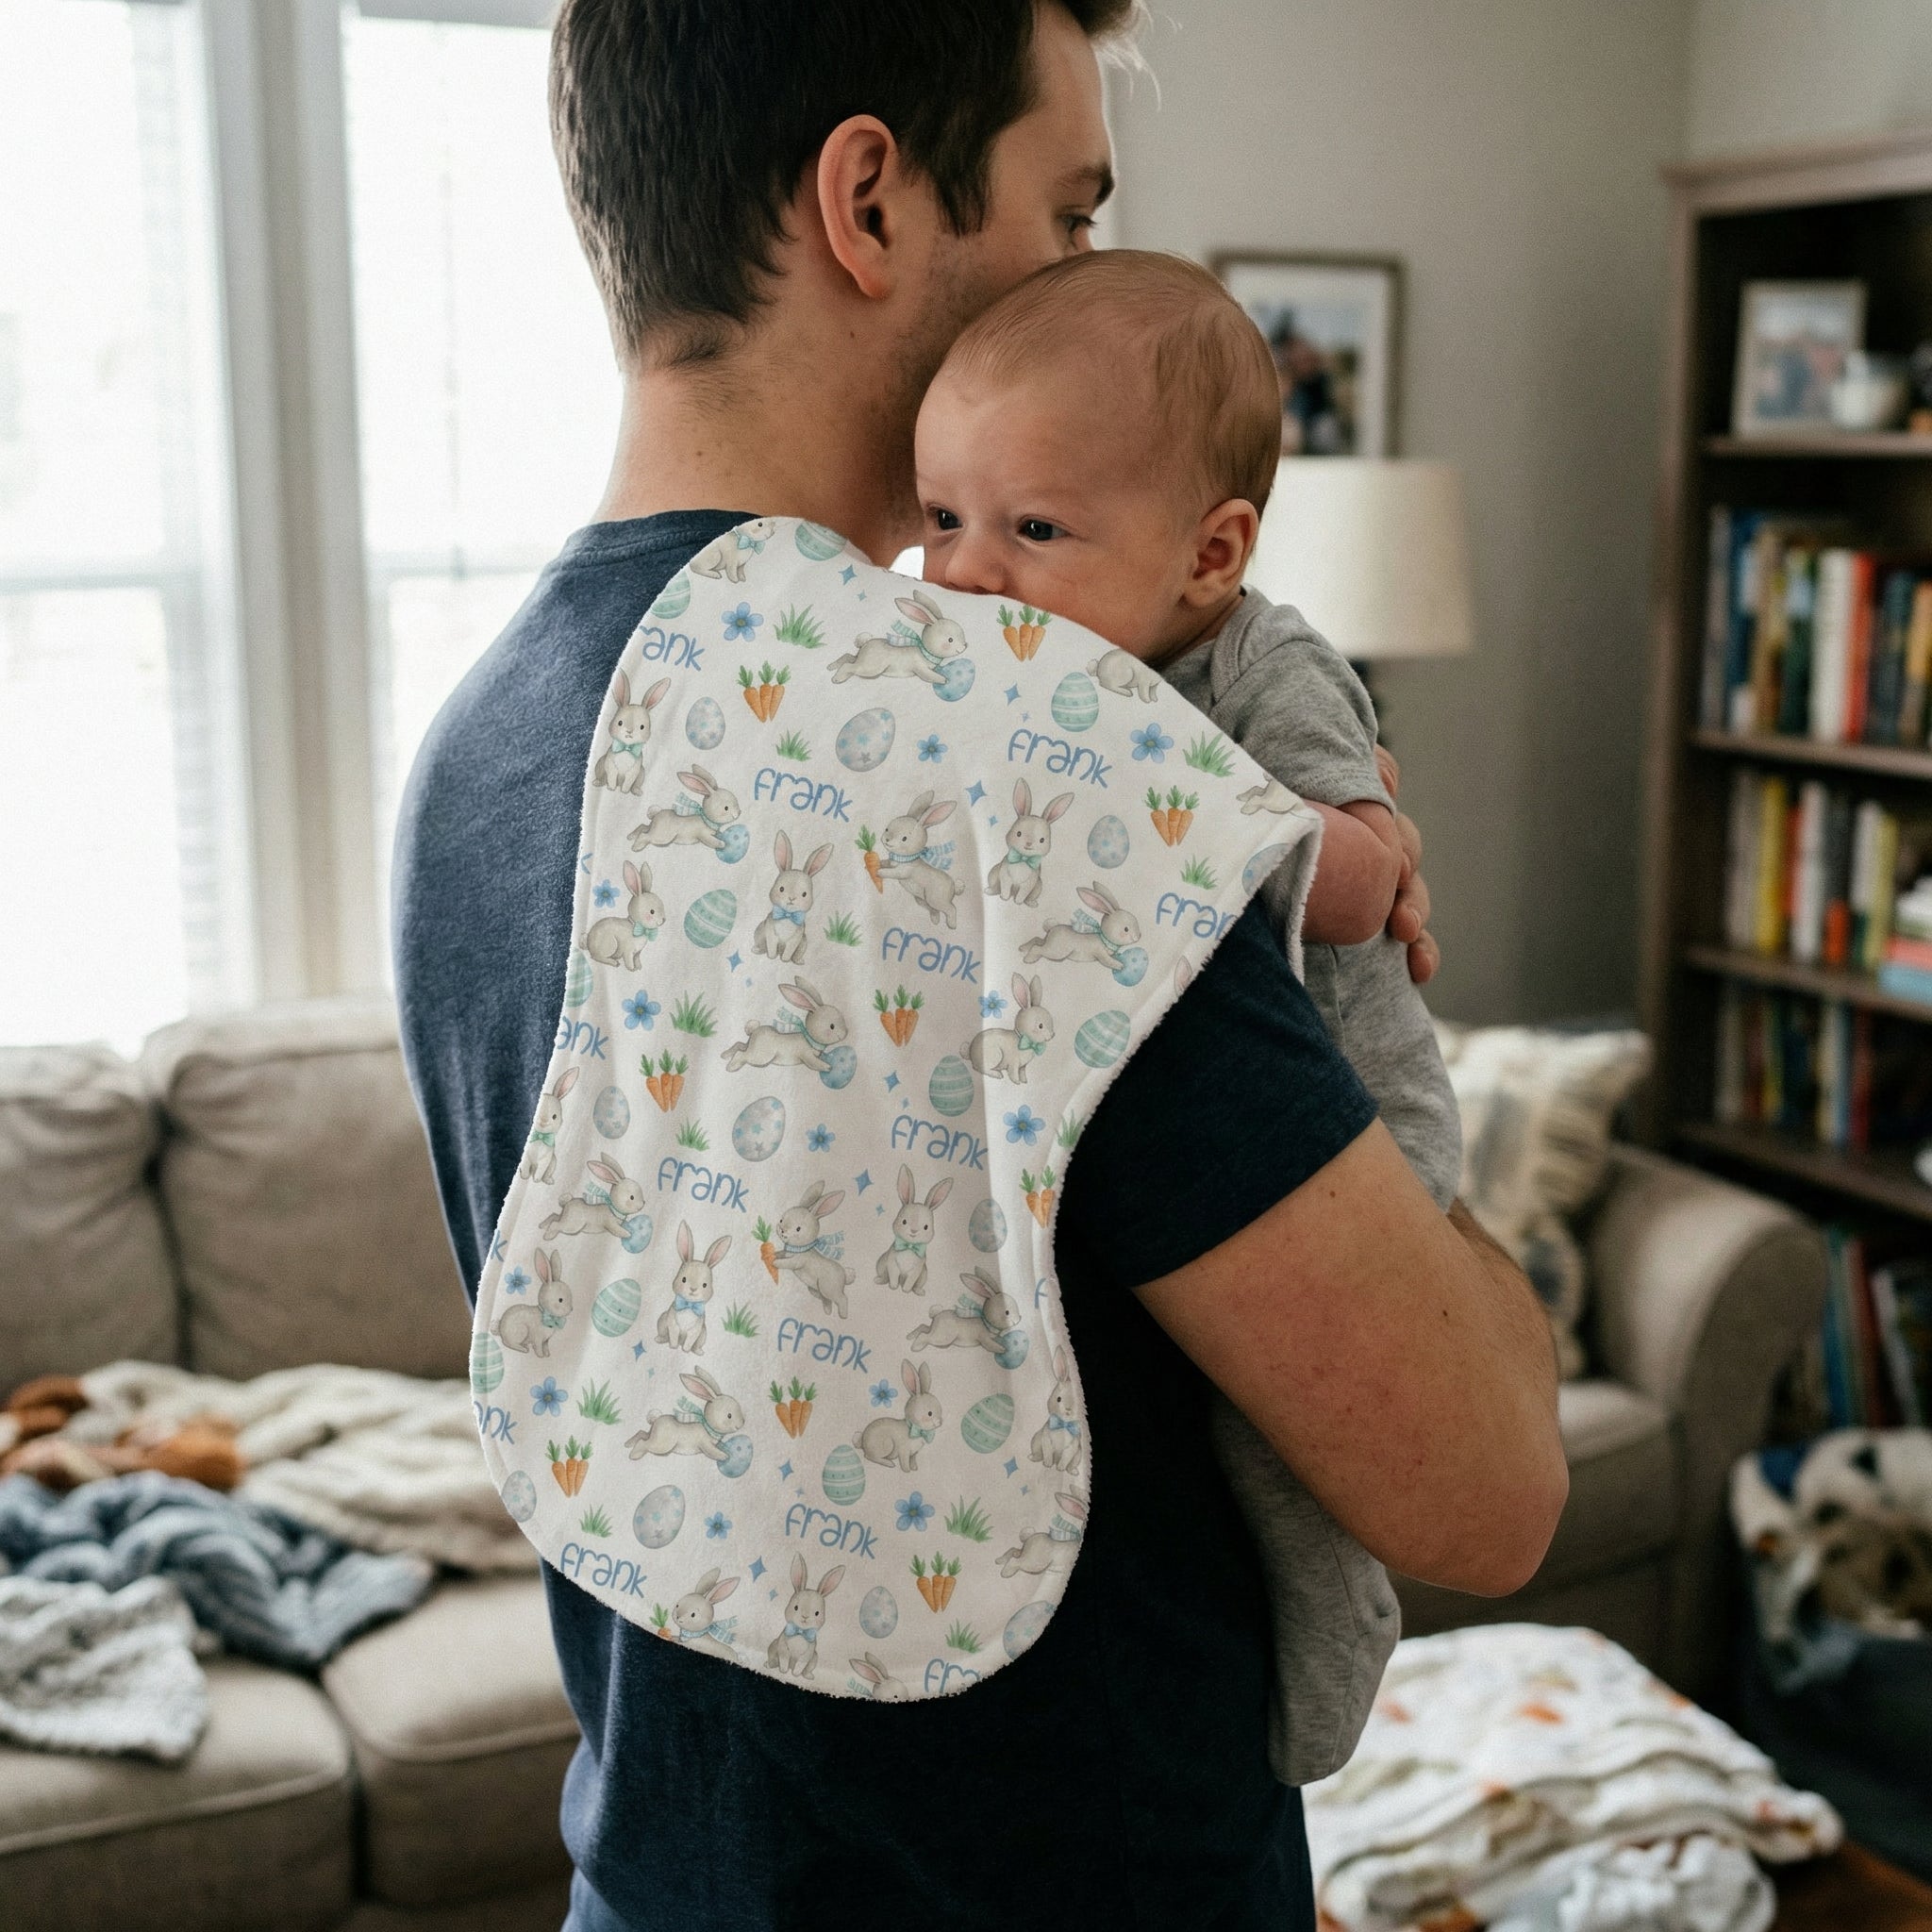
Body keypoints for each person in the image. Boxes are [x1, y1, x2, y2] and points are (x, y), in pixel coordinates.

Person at [390, 5, 1569, 1927]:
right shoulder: (1022, 756)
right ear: (869, 201)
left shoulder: (478, 751)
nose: (1081, 273)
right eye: (1067, 208)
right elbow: (1484, 1482)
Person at [911, 246, 1464, 1787]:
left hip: (1351, 1113)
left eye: (1031, 529)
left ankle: (1335, 1641)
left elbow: (1359, 881)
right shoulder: (1001, 663)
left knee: (1275, 1444)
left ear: (1208, 554)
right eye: (940, 519)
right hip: (1168, 1146)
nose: (964, 573)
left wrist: (1160, 814)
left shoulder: (1261, 664)